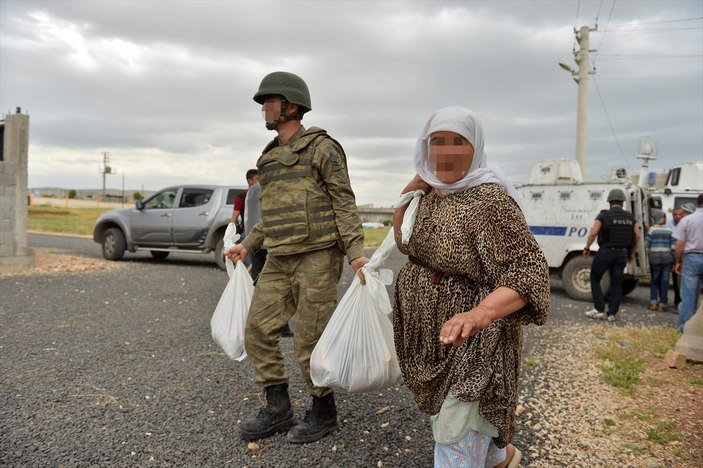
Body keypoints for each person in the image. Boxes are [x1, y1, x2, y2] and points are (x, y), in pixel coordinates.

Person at [392, 107, 550, 467]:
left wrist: (480, 314)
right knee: (464, 416)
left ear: (475, 147)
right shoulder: (433, 195)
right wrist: (412, 187)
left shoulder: (489, 203)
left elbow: (529, 270)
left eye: (457, 143)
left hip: (477, 340)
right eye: (437, 142)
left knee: (455, 425)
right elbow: (403, 241)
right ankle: (500, 457)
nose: (446, 152)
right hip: (436, 335)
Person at [225, 71, 369, 443]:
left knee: (309, 340)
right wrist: (248, 245)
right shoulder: (269, 159)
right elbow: (271, 216)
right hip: (279, 257)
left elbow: (343, 202)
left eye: (269, 102)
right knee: (257, 330)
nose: (264, 110)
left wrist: (355, 254)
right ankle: (278, 408)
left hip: (318, 257)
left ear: (290, 106)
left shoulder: (323, 148)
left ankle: (323, 412)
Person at [243, 178, 294, 337]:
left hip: (254, 241)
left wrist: (249, 241)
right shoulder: (273, 184)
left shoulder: (251, 189)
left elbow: (247, 215)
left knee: (258, 281)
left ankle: (257, 322)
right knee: (279, 284)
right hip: (271, 241)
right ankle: (281, 326)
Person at [583, 189, 640, 322]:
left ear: (610, 202)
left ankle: (599, 309)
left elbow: (593, 232)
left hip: (606, 252)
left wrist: (587, 247)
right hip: (622, 253)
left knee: (595, 278)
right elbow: (637, 236)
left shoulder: (603, 215)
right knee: (616, 283)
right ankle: (612, 313)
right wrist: (631, 253)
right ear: (622, 202)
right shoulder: (630, 217)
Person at [673, 193, 703, 333]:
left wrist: (678, 261)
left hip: (691, 258)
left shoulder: (687, 220)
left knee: (689, 295)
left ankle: (684, 327)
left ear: (698, 203)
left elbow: (679, 244)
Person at [645, 209, 675, 312]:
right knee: (665, 281)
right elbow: (673, 247)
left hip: (655, 259)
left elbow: (646, 244)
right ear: (664, 218)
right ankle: (662, 305)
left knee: (654, 281)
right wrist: (675, 261)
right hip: (667, 259)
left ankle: (653, 303)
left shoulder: (652, 230)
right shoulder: (671, 230)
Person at [668, 206, 689, 312]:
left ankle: (685, 305)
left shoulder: (686, 223)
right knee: (676, 282)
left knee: (686, 283)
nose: (677, 217)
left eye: (679, 214)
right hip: (674, 256)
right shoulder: (669, 225)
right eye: (675, 215)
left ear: (683, 214)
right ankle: (677, 303)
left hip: (686, 256)